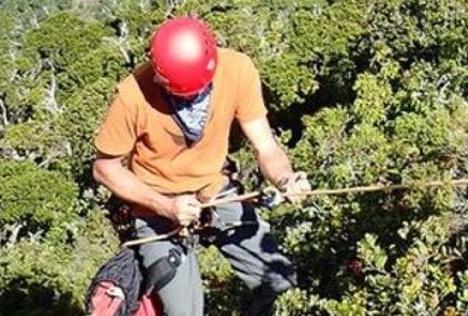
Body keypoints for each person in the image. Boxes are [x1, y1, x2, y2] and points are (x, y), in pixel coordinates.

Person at [92, 16, 310, 316]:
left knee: (279, 282)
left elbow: (266, 146)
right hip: (157, 207)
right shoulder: (133, 95)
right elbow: (105, 168)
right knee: (184, 312)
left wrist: (285, 179)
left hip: (214, 189)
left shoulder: (237, 70)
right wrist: (166, 206)